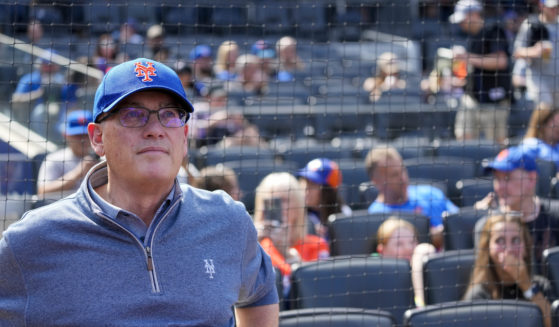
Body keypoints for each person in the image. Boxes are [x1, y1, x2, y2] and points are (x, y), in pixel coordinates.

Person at [0, 58, 279, 326]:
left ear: (184, 138)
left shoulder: (227, 218)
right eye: (133, 115)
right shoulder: (31, 241)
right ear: (98, 138)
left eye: (170, 115)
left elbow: (260, 292)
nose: (155, 130)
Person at [474, 146, 559, 272]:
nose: (499, 187)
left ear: (531, 179)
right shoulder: (487, 227)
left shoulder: (556, 214)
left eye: (507, 178)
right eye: (497, 179)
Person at [464, 213, 553, 327]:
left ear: (526, 247)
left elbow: (553, 323)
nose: (509, 249)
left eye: (516, 240)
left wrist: (527, 285)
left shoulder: (541, 286)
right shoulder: (479, 296)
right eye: (500, 241)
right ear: (488, 249)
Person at [365, 146, 459, 249]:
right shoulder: (375, 216)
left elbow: (458, 222)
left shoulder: (432, 194)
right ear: (377, 182)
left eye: (403, 170)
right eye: (394, 175)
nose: (403, 178)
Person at [449, 0, 512, 144]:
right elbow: (476, 69)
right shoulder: (472, 38)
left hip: (494, 100)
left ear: (474, 14)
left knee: (497, 145)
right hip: (472, 98)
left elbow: (501, 61)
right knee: (464, 139)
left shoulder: (493, 30)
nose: (461, 24)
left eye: (463, 19)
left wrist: (467, 57)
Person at [254, 172, 329, 281]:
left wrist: (287, 253)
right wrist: (250, 246)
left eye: (284, 200)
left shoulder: (317, 245)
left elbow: (315, 287)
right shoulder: (258, 246)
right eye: (270, 201)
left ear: (298, 204)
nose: (276, 208)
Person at [372, 218, 436, 307]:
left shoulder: (427, 269)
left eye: (412, 242)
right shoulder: (374, 275)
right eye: (399, 244)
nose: (409, 248)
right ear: (382, 250)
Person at [36, 109, 98, 196]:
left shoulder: (103, 159)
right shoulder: (54, 159)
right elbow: (42, 192)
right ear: (66, 135)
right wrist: (78, 173)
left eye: (86, 135)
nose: (83, 140)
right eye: (77, 136)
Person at [513, 0, 559, 108]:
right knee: (544, 108)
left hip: (557, 80)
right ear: (541, 5)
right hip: (539, 79)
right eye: (551, 7)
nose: (555, 10)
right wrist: (535, 51)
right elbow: (517, 52)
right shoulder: (530, 24)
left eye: (557, 7)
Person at [297, 158, 352, 240]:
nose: (305, 188)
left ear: (328, 191)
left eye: (312, 184)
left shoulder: (344, 214)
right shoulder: (296, 212)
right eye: (304, 181)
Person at [522, 104, 559, 171]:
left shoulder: (557, 146)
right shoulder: (531, 145)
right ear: (542, 124)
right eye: (554, 123)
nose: (557, 127)